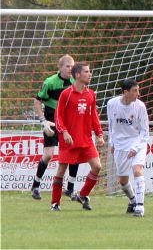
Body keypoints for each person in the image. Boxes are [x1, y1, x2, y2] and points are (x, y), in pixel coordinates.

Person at [51, 63, 104, 211]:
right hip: (69, 141)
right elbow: (58, 116)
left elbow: (94, 116)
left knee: (97, 166)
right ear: (78, 75)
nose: (90, 74)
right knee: (61, 171)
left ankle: (83, 195)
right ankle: (55, 203)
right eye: (87, 72)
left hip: (86, 140)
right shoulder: (66, 94)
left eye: (90, 71)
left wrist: (99, 134)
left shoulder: (91, 94)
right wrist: (65, 132)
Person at [30, 55, 81, 201]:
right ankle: (35, 186)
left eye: (72, 66)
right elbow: (37, 101)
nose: (70, 69)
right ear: (60, 67)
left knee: (74, 154)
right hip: (52, 122)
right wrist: (43, 120)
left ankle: (70, 189)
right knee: (48, 156)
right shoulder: (50, 82)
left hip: (68, 123)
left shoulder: (75, 82)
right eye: (67, 66)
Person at [106, 79, 149, 217]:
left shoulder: (140, 107)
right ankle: (133, 200)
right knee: (123, 181)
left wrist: (135, 148)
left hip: (137, 143)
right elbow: (111, 126)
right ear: (126, 92)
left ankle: (140, 207)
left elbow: (144, 131)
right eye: (135, 91)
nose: (138, 93)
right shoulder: (111, 104)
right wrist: (112, 143)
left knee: (137, 171)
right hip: (120, 146)